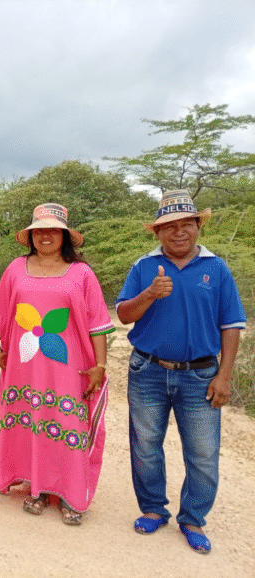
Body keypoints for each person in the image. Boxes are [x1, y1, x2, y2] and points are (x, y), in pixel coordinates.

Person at [115, 190, 246, 554]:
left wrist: (225, 376)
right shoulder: (144, 267)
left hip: (201, 374)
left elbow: (232, 325)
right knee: (145, 446)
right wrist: (150, 294)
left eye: (186, 224)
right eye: (168, 226)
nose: (178, 233)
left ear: (197, 227)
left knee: (203, 452)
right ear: (157, 232)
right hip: (148, 370)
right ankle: (154, 509)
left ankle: (192, 518)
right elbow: (124, 315)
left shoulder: (216, 269)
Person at [0, 203, 114, 525]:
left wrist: (100, 365)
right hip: (24, 364)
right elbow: (1, 311)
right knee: (32, 420)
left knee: (67, 423)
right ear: (30, 236)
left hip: (68, 367)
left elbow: (98, 322)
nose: (45, 235)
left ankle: (72, 494)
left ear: (64, 236)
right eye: (39, 230)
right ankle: (39, 488)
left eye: (52, 230)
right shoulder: (16, 269)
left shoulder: (82, 273)